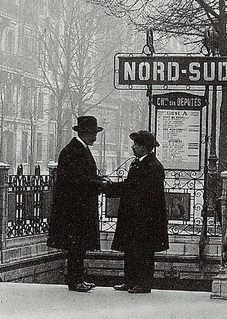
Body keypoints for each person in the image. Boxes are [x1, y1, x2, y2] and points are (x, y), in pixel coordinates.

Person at [105, 130, 169, 294]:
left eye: (136, 145)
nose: (133, 147)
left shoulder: (154, 166)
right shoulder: (138, 163)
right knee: (131, 249)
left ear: (144, 147)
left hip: (146, 218)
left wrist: (110, 187)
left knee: (144, 251)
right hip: (134, 216)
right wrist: (112, 186)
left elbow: (137, 189)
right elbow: (131, 185)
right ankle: (130, 281)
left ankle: (143, 284)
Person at [47, 115, 104, 292]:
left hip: (79, 207)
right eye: (93, 133)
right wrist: (98, 184)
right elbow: (76, 180)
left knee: (79, 246)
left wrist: (96, 180)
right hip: (74, 209)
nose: (95, 137)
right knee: (76, 246)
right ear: (84, 133)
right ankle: (75, 281)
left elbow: (82, 177)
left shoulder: (80, 149)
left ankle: (78, 278)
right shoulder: (73, 151)